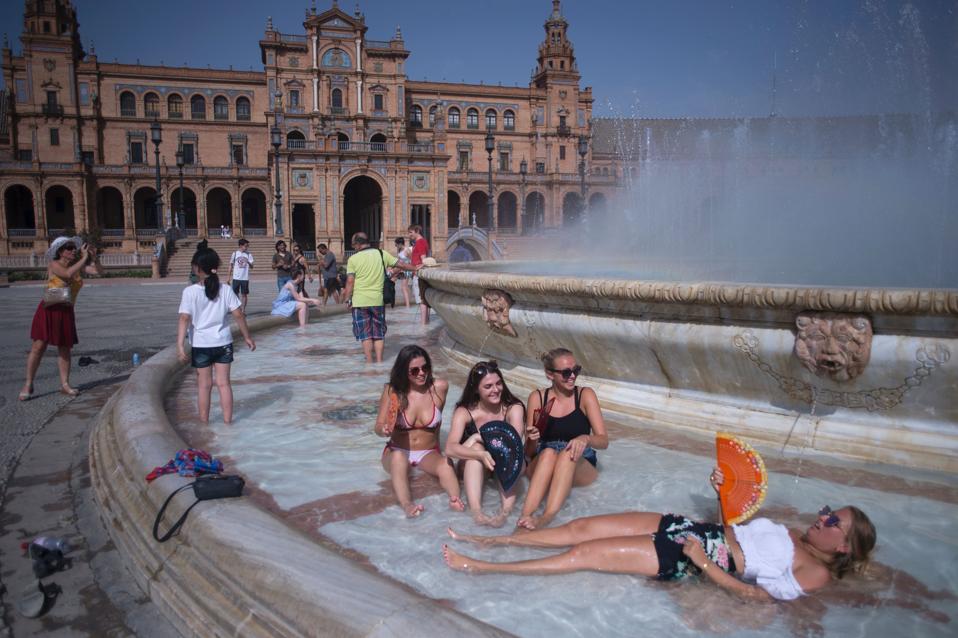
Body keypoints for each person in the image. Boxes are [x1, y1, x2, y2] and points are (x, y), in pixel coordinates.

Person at [443, 468, 878, 603]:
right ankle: (496, 541)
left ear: (844, 546)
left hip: (698, 556)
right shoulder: (796, 534)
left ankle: (482, 566)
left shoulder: (816, 573)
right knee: (580, 528)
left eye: (832, 522)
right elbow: (735, 526)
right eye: (827, 512)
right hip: (696, 529)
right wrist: (722, 491)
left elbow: (756, 596)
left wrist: (703, 563)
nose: (822, 518)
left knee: (583, 553)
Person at [517, 347, 609, 530]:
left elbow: (603, 441)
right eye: (566, 372)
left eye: (576, 370)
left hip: (579, 460)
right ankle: (524, 518)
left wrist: (585, 438)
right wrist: (532, 439)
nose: (573, 376)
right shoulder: (538, 397)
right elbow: (528, 452)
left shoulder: (585, 395)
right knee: (548, 452)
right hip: (544, 462)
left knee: (567, 454)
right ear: (550, 374)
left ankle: (546, 518)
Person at [375, 345, 463, 517]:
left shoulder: (439, 388)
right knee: (399, 458)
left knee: (446, 464)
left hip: (428, 452)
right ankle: (407, 505)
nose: (422, 373)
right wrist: (383, 429)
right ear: (403, 371)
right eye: (414, 370)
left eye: (425, 367)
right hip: (397, 450)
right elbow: (378, 426)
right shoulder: (393, 391)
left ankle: (455, 500)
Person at [176, 247, 256, 424]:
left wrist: (180, 345)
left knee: (204, 386)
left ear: (197, 268)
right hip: (223, 343)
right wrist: (247, 337)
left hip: (201, 345)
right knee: (224, 384)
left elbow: (184, 318)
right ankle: (228, 423)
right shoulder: (225, 289)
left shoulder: (189, 292)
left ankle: (204, 424)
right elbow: (238, 315)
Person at [20, 236, 104, 400]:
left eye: (74, 248)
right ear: (60, 251)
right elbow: (66, 273)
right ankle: (28, 383)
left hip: (66, 309)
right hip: (50, 308)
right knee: (38, 346)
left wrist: (95, 258)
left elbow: (99, 272)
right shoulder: (54, 264)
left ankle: (65, 384)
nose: (73, 250)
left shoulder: (77, 266)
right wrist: (84, 257)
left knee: (65, 348)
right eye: (69, 248)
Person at [445, 361, 526, 526]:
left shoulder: (513, 408)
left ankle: (504, 513)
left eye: (498, 383)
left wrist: (480, 439)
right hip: (473, 466)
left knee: (508, 455)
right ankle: (476, 512)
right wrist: (478, 449)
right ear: (476, 389)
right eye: (488, 386)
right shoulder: (465, 411)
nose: (495, 390)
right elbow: (450, 449)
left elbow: (514, 445)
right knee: (476, 448)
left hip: (505, 460)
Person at [342, 232, 417, 363]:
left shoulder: (353, 259)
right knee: (378, 334)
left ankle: (369, 363)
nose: (353, 247)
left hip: (360, 302)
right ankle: (380, 363)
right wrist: (416, 268)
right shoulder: (381, 253)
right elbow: (402, 265)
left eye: (353, 245)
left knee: (365, 335)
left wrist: (348, 299)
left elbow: (350, 281)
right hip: (377, 300)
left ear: (358, 244)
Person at [407, 224, 430, 324]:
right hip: (418, 273)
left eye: (410, 232)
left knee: (421, 300)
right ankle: (426, 322)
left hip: (418, 275)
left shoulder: (420, 242)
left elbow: (423, 260)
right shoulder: (422, 241)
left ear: (417, 231)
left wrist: (416, 268)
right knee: (423, 299)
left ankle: (423, 323)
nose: (409, 235)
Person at [228, 238, 254, 314]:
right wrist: (228, 277)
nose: (247, 247)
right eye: (245, 246)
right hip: (236, 277)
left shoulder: (249, 254)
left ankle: (243, 310)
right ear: (240, 245)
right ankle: (238, 308)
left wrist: (248, 262)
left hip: (245, 278)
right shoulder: (235, 254)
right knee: (235, 294)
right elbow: (230, 265)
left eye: (247, 246)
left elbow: (252, 266)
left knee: (244, 294)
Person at [390, 237, 411, 308]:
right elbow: (398, 261)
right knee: (391, 280)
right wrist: (392, 268)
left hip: (406, 270)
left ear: (400, 244)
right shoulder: (399, 250)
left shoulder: (407, 250)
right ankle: (391, 300)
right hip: (400, 270)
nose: (395, 246)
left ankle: (408, 306)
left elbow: (411, 261)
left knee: (404, 287)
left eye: (396, 244)